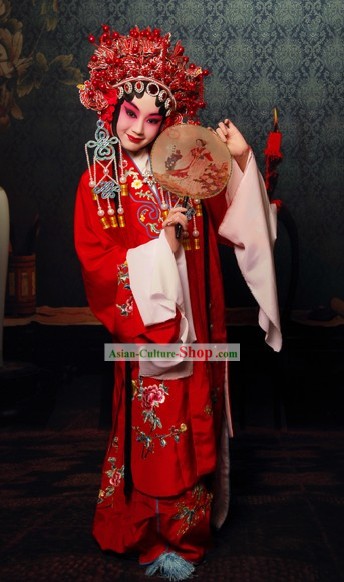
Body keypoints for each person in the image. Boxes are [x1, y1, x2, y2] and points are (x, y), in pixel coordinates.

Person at [74, 25, 282, 581]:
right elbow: (98, 263)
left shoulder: (187, 164)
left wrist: (239, 165)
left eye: (152, 119)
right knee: (156, 423)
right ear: (110, 108)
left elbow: (237, 225)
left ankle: (186, 534)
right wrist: (160, 249)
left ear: (169, 122)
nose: (139, 129)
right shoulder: (100, 180)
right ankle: (149, 533)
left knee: (194, 418)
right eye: (129, 114)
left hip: (198, 325)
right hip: (148, 328)